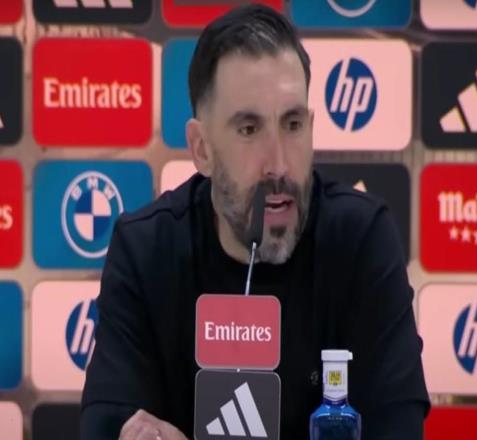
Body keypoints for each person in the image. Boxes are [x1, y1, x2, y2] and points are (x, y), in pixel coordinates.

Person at [81, 5, 430, 439]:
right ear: (202, 149)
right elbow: (109, 424)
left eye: (293, 124)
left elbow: (398, 428)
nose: (278, 165)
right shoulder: (145, 250)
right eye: (249, 129)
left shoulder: (361, 240)